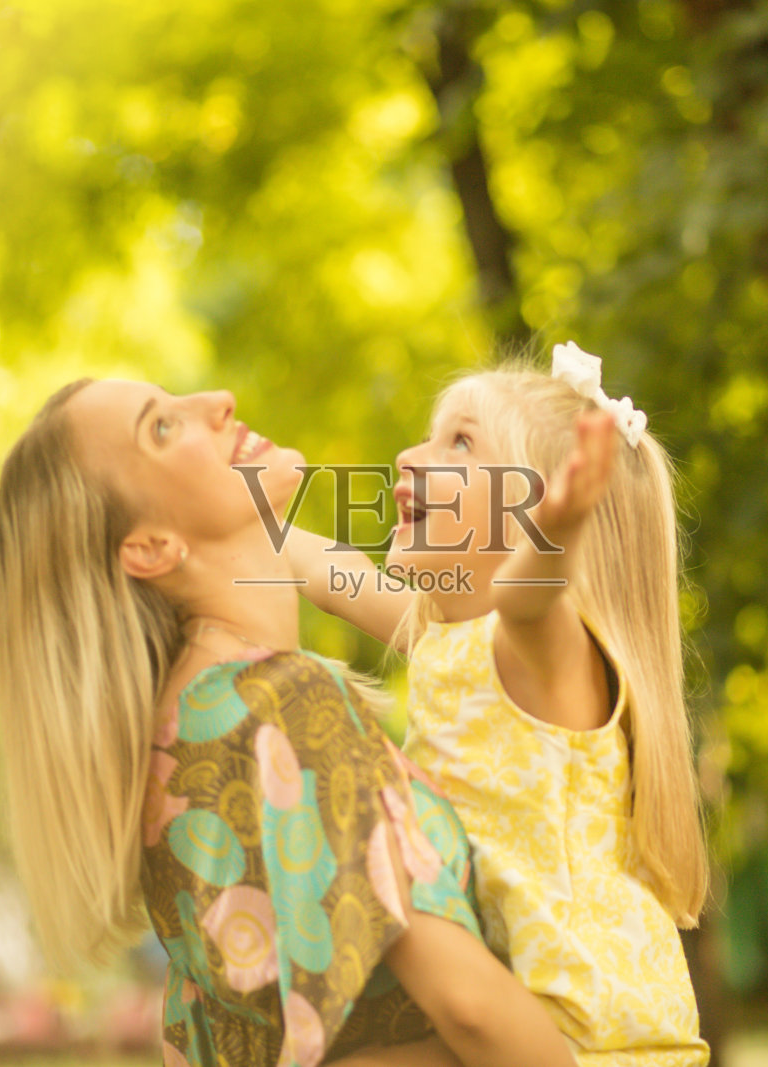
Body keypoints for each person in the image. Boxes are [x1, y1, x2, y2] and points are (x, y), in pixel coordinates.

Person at [0, 378, 579, 1067]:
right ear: (148, 546)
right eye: (163, 428)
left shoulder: (181, 741)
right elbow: (471, 1009)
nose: (220, 399)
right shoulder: (283, 709)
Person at [288, 344, 712, 1065]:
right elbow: (332, 573)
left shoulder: (551, 657)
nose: (410, 457)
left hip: (605, 1038)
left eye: (460, 441)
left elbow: (527, 600)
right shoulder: (444, 642)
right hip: (516, 1015)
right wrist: (222, 508)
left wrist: (554, 534)